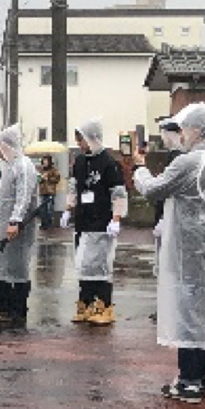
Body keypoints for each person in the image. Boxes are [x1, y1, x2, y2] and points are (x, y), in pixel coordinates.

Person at [132, 103, 205, 404]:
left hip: (189, 253)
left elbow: (152, 190)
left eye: (183, 129)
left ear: (197, 130)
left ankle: (189, 381)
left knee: (189, 313)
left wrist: (139, 168)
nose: (181, 135)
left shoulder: (188, 163)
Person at [63, 118, 128, 325]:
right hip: (83, 221)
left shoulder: (109, 163)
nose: (80, 144)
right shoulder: (80, 162)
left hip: (102, 222)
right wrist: (68, 209)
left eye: (81, 139)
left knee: (99, 265)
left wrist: (116, 217)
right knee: (83, 264)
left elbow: (118, 193)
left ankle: (104, 305)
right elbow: (74, 187)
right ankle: (86, 302)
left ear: (92, 138)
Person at [0, 126, 39, 329]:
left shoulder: (23, 166)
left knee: (17, 268)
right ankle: (2, 305)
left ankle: (17, 309)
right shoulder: (10, 166)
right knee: (1, 265)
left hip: (16, 228)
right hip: (2, 225)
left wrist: (15, 221)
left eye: (0, 147)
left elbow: (23, 197)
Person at [36, 155, 62, 231]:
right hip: (42, 191)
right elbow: (38, 180)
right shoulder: (41, 170)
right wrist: (40, 178)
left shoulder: (54, 170)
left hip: (50, 191)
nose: (45, 162)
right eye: (43, 161)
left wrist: (48, 178)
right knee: (42, 209)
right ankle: (44, 224)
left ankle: (50, 224)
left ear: (49, 162)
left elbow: (57, 179)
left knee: (50, 208)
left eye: (46, 161)